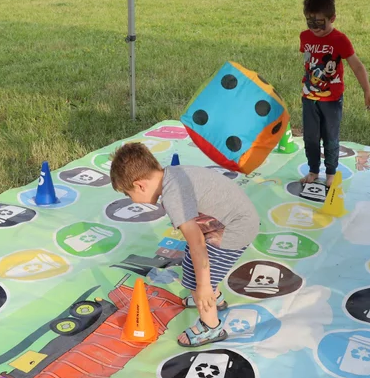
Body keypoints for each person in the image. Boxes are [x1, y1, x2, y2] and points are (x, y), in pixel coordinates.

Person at [110, 143, 260, 348]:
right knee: (191, 260)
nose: (132, 200)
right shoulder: (171, 175)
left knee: (197, 277)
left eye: (129, 194)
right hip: (229, 220)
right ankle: (214, 297)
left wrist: (203, 287)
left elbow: (197, 243)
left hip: (236, 228)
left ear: (140, 185)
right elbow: (194, 240)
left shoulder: (173, 197)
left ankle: (210, 326)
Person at [300, 0, 370, 187]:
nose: (314, 27)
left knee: (330, 137)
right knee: (310, 137)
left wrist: (367, 91)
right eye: (310, 22)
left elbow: (357, 66)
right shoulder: (305, 37)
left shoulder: (339, 40)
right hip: (309, 98)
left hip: (331, 100)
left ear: (332, 18)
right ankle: (313, 170)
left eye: (319, 22)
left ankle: (331, 172)